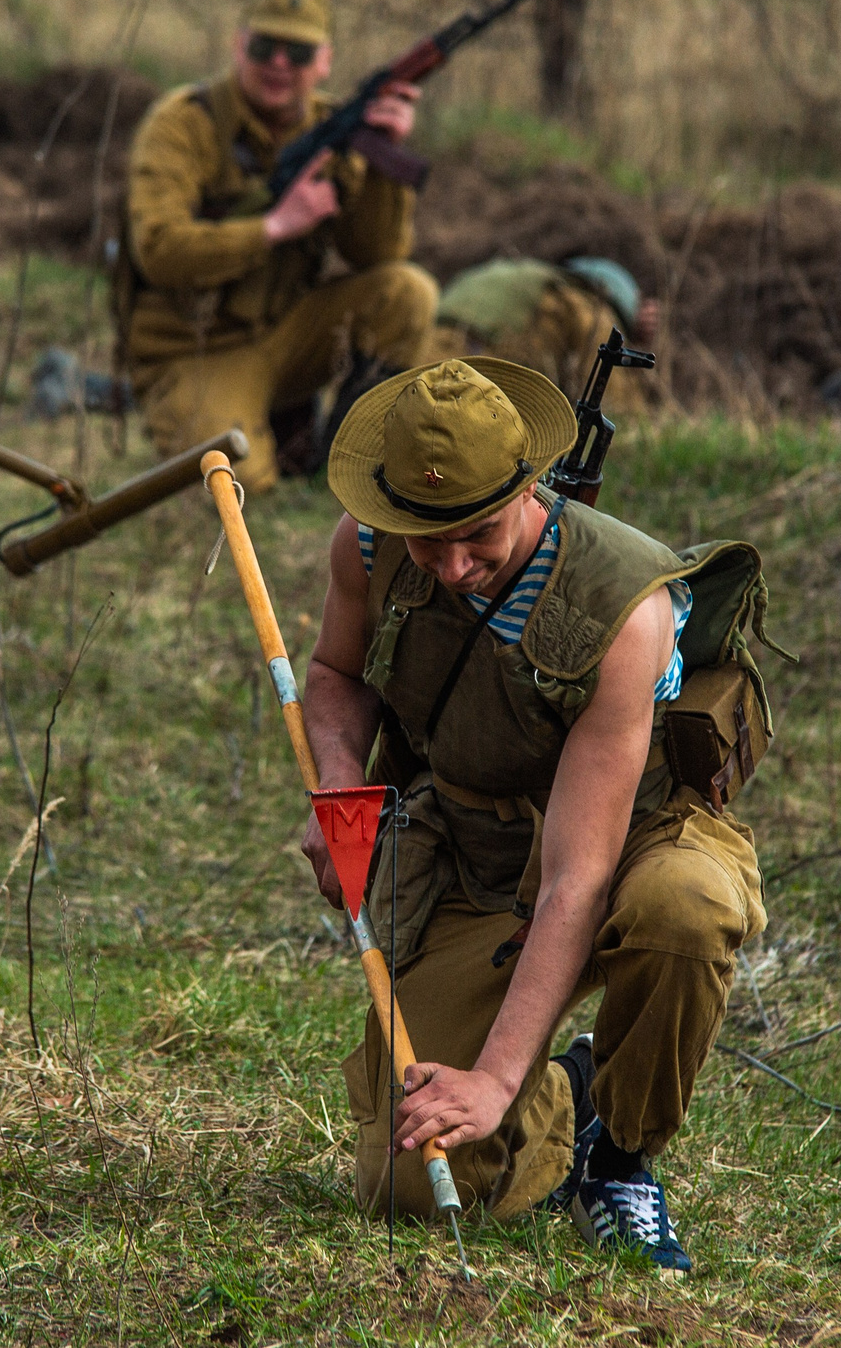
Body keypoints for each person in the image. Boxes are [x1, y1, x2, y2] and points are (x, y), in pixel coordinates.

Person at [300, 358, 770, 1272]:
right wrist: (337, 788)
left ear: (530, 486)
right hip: (477, 849)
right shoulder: (366, 544)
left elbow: (579, 875)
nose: (454, 566)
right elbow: (334, 675)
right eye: (428, 542)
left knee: (687, 910)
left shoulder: (627, 611)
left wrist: (494, 1076)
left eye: (477, 534)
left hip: (624, 839)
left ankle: (619, 1151)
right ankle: (573, 1090)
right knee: (412, 1185)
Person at [120, 0, 438, 490]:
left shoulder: (335, 127)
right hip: (196, 348)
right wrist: (274, 227)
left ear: (326, 61)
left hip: (287, 331)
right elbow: (159, 251)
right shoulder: (183, 126)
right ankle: (264, 436)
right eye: (265, 47)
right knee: (238, 486)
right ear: (238, 45)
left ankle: (353, 468)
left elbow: (376, 253)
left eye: (300, 51)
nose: (280, 65)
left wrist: (383, 158)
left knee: (407, 292)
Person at [432, 255, 660, 404]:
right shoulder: (589, 307)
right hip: (466, 383)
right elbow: (616, 406)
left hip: (422, 361)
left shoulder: (527, 278)